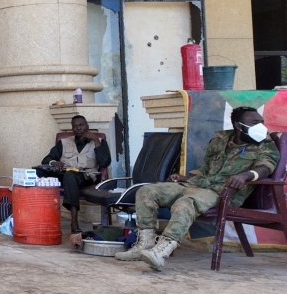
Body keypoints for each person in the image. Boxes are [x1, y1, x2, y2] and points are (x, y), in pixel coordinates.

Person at [115, 106, 279, 270]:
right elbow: (207, 168)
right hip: (198, 184)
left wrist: (246, 175)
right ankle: (145, 243)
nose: (261, 126)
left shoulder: (265, 144)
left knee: (185, 203)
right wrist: (187, 177)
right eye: (255, 122)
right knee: (147, 192)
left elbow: (266, 167)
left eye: (262, 122)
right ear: (238, 125)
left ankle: (161, 252)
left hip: (222, 192)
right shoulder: (220, 140)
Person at [38, 115, 111, 235]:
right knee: (36, 172)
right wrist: (54, 162)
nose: (78, 128)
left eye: (81, 125)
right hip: (64, 173)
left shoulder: (99, 142)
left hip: (86, 175)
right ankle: (37, 217)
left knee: (70, 176)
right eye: (75, 126)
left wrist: (96, 139)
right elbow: (46, 159)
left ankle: (74, 222)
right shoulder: (64, 142)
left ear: (87, 126)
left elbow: (104, 162)